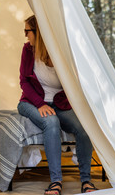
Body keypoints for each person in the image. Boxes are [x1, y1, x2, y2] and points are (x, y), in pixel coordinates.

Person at [17, 15, 98, 195]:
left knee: (83, 128)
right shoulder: (27, 51)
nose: (25, 36)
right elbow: (24, 82)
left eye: (27, 31)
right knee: (51, 122)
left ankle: (86, 181)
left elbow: (74, 81)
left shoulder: (60, 53)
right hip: (30, 102)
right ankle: (56, 182)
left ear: (39, 33)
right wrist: (40, 104)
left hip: (59, 103)